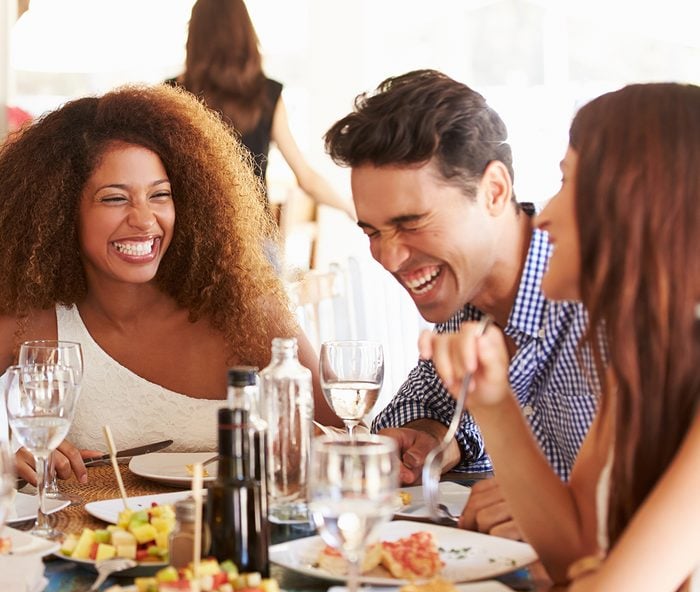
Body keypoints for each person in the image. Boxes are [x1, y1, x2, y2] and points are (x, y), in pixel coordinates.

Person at [422, 82, 700, 592]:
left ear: (636, 202)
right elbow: (570, 553)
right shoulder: (638, 367)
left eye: (570, 181)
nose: (543, 213)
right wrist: (493, 406)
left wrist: (599, 578)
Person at [0, 84, 342, 487]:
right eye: (114, 199)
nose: (144, 220)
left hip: (234, 541)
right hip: (90, 547)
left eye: (160, 195)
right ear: (59, 210)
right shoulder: (33, 322)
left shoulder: (246, 312)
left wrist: (294, 445)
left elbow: (345, 435)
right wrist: (7, 452)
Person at [324, 69, 598, 539]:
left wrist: (560, 508)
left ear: (493, 191)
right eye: (372, 231)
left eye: (411, 223)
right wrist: (431, 436)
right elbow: (424, 403)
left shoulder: (599, 299)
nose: (388, 256)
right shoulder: (463, 295)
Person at [169, 0, 354, 218]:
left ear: (193, 37)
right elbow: (306, 179)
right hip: (254, 237)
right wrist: (349, 208)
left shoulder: (170, 95)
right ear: (245, 35)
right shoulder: (267, 94)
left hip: (190, 235)